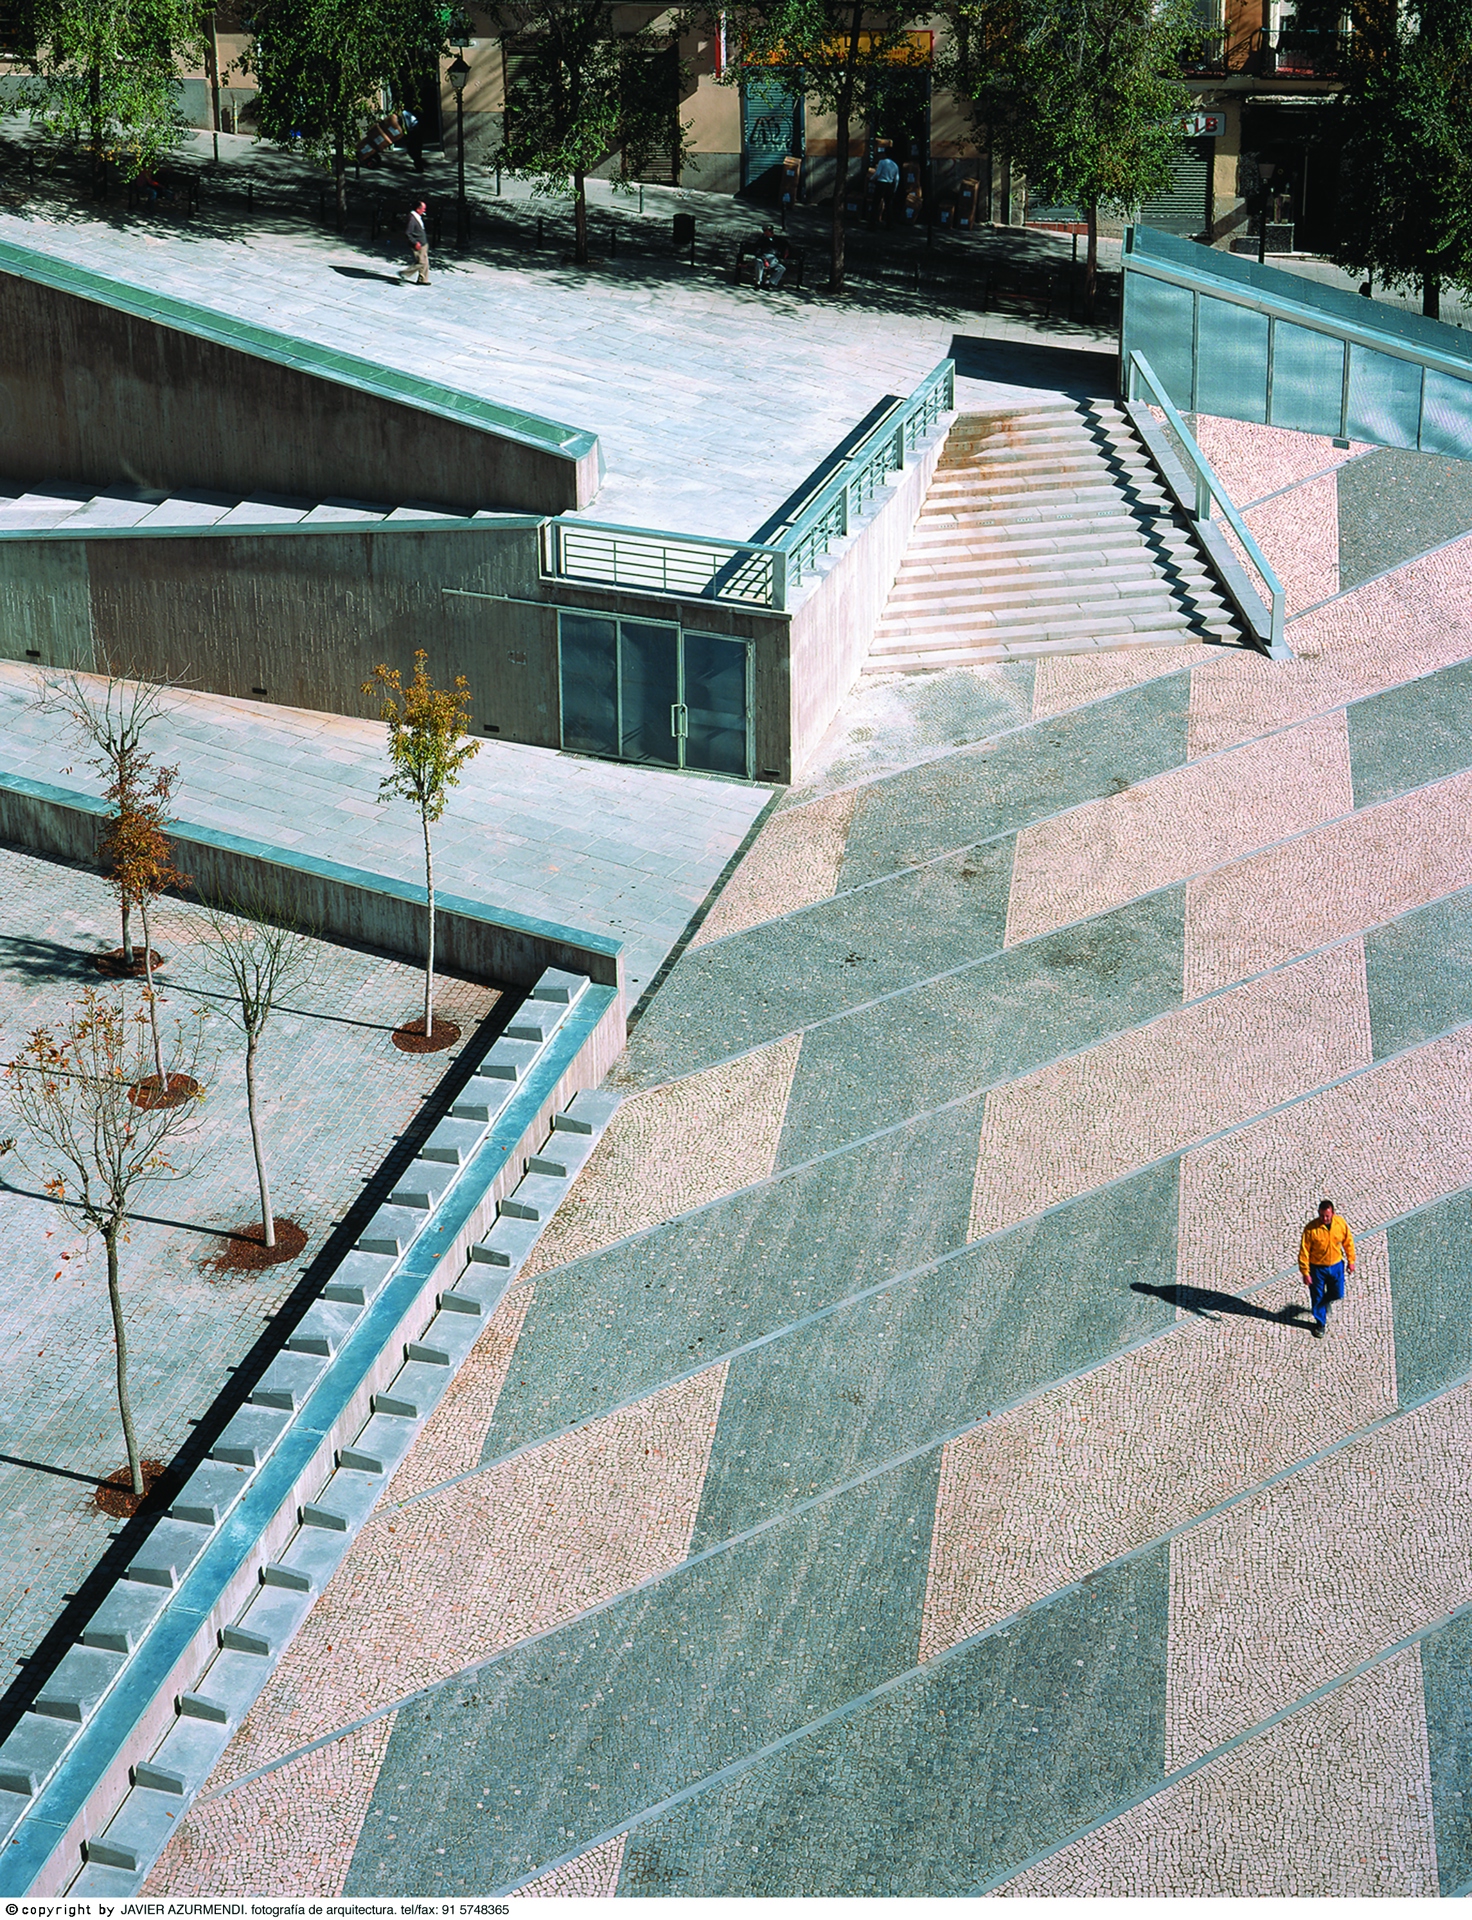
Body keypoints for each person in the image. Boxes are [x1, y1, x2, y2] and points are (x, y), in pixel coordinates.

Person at [1298, 1198, 1355, 1338]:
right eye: (1322, 1215)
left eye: (1327, 1216)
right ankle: (1320, 1323)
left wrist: (1351, 1260)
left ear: (1333, 1214)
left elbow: (1348, 1241)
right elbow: (1304, 1251)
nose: (1324, 1218)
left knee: (1338, 1293)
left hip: (1336, 1265)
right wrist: (1305, 1272)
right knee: (1317, 1296)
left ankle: (1325, 1301)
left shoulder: (1340, 1224)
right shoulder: (1311, 1229)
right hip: (1317, 1268)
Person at [399, 200, 430, 285]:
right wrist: (415, 242)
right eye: (423, 209)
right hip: (418, 244)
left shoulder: (417, 216)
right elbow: (408, 233)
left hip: (423, 243)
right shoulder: (412, 219)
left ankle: (423, 279)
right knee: (421, 262)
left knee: (425, 262)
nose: (424, 210)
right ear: (418, 209)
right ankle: (405, 273)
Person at [753, 224, 788, 290]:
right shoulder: (761, 240)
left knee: (781, 268)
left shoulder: (777, 239)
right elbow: (757, 252)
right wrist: (764, 260)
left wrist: (787, 250)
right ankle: (758, 283)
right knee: (759, 263)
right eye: (767, 231)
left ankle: (769, 283)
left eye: (770, 230)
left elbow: (786, 244)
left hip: (773, 259)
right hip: (762, 258)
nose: (770, 232)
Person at [873, 150, 900, 226]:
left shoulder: (882, 162)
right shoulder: (895, 165)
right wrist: (894, 189)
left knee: (875, 204)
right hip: (889, 185)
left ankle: (872, 224)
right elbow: (897, 179)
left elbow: (877, 173)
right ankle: (889, 224)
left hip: (881, 183)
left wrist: (872, 179)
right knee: (888, 205)